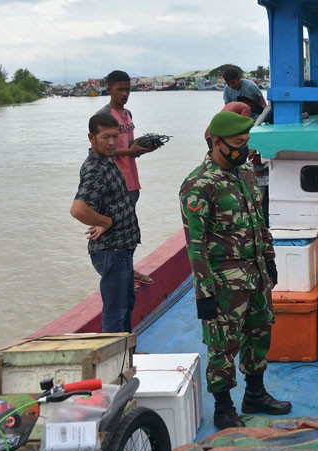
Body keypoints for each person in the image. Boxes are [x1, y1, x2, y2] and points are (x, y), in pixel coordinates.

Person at [179, 111, 291, 430]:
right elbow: (195, 244)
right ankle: (223, 407)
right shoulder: (198, 185)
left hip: (255, 275)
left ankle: (255, 394)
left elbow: (260, 222)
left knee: (259, 333)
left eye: (246, 142)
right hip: (223, 282)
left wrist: (269, 260)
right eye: (238, 143)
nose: (244, 149)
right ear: (217, 143)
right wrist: (205, 293)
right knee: (222, 345)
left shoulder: (245, 175)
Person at [70, 113, 141, 333]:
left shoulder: (107, 161)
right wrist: (106, 221)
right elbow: (78, 209)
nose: (111, 143)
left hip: (123, 247)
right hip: (112, 250)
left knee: (126, 303)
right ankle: (116, 364)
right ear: (91, 138)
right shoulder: (95, 169)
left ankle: (128, 355)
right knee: (115, 310)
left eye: (114, 137)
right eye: (105, 137)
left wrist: (102, 219)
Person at [97, 70, 157, 287]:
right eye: (119, 89)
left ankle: (127, 270)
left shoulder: (128, 114)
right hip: (116, 183)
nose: (124, 94)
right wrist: (130, 152)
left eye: (127, 89)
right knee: (116, 231)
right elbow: (102, 150)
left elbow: (127, 146)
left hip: (132, 180)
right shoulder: (104, 116)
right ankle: (121, 275)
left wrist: (141, 147)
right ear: (109, 88)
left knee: (129, 229)